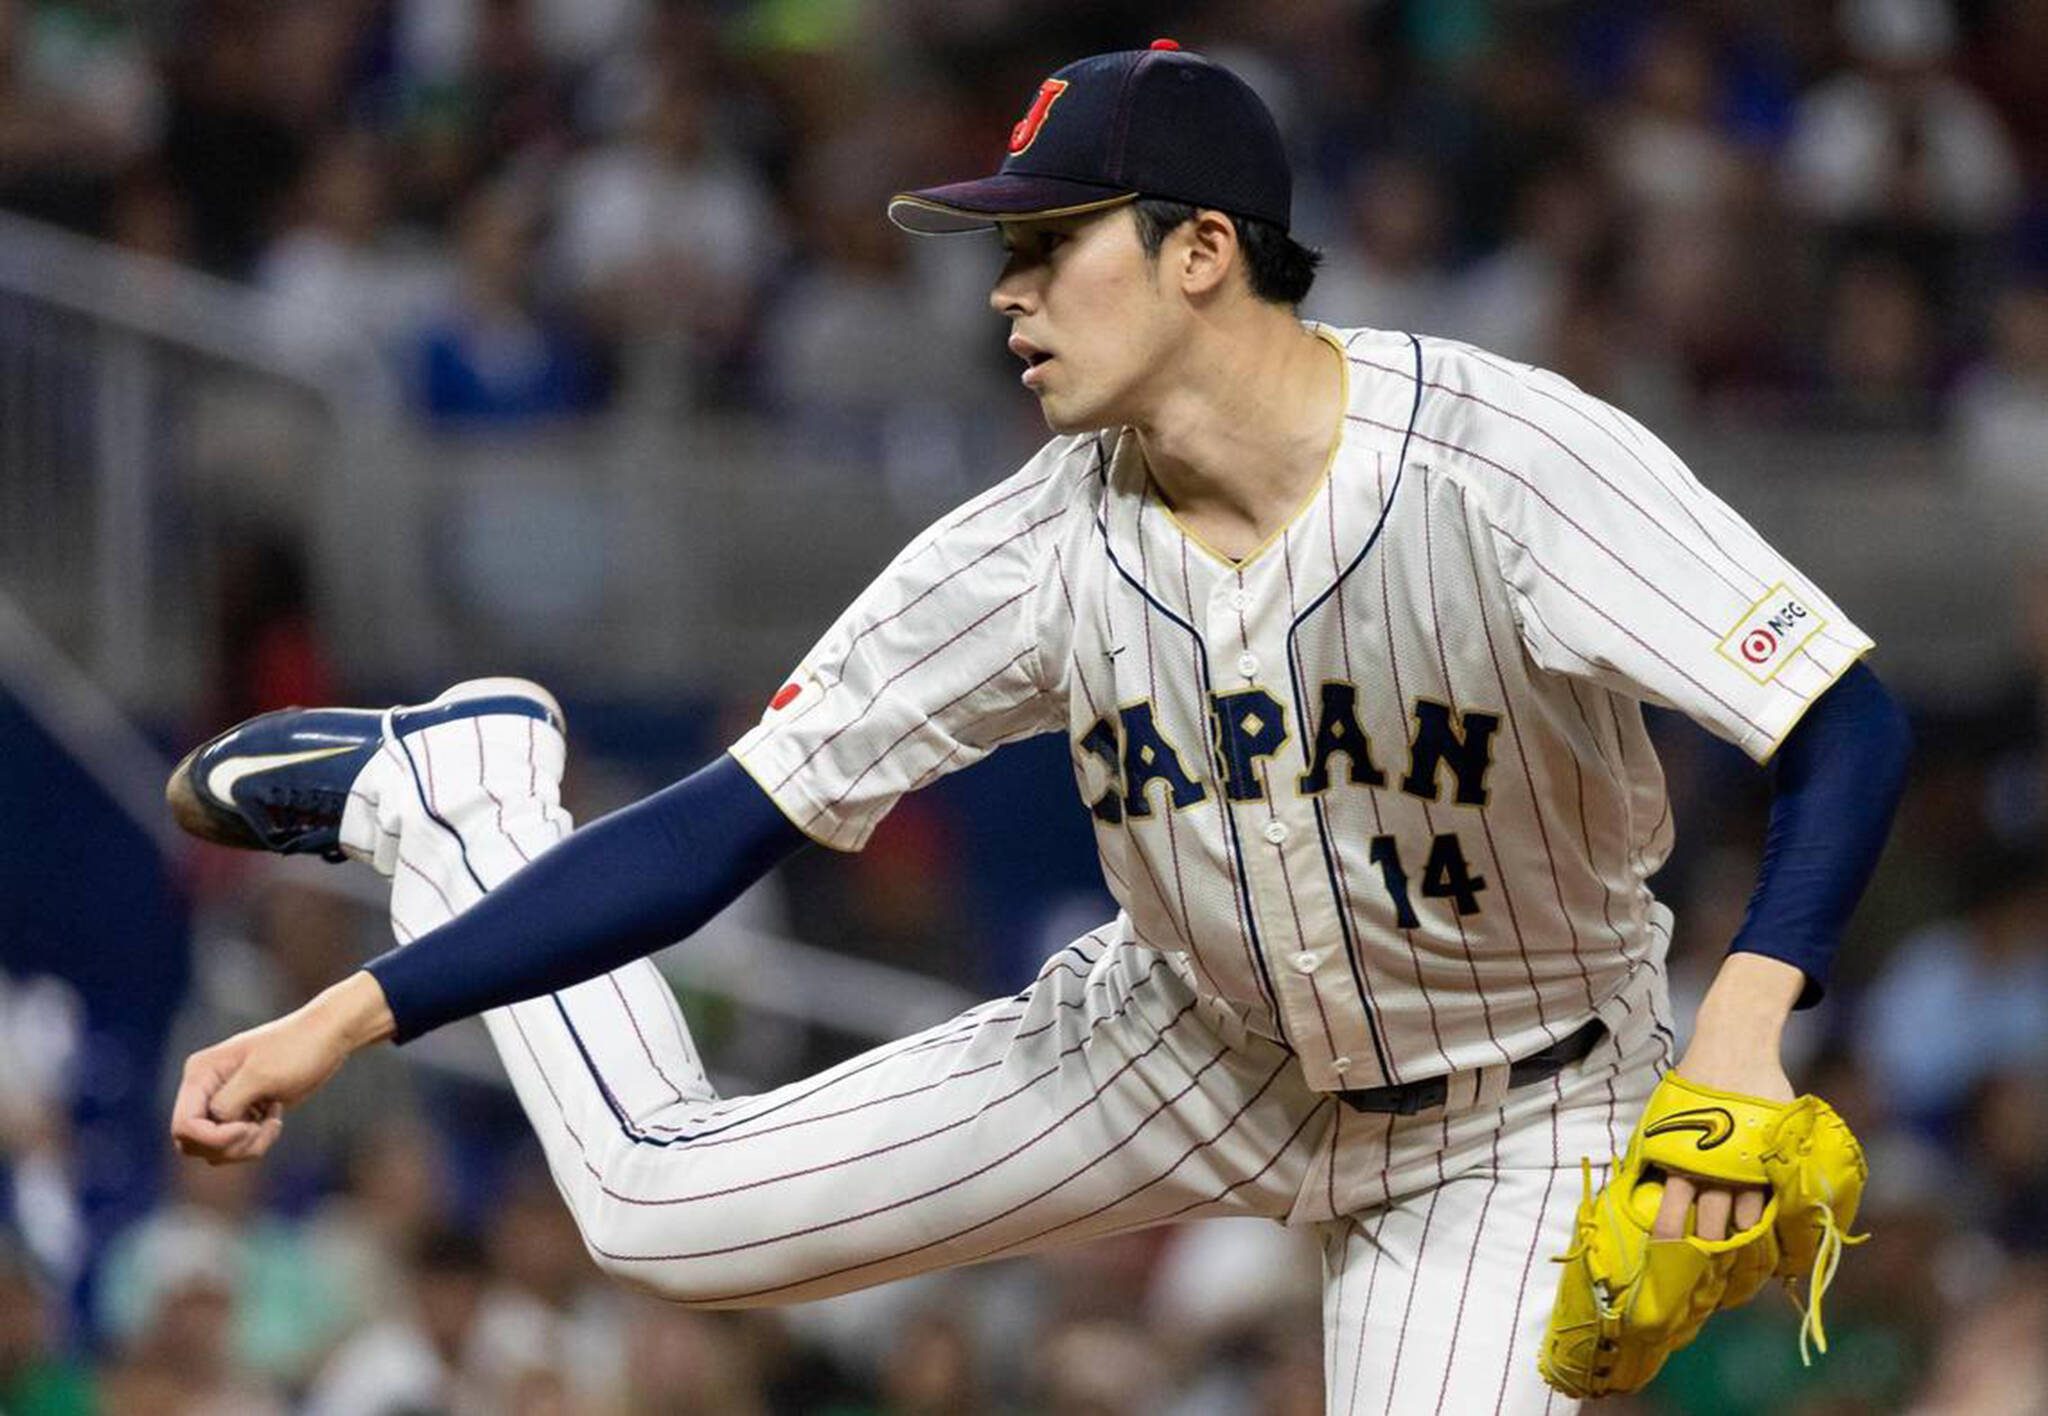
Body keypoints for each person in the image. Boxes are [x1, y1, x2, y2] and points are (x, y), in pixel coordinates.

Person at [164, 43, 1912, 1411]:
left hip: (1519, 1106)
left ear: (1205, 251)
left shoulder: (1507, 463)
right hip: (1192, 1047)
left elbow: (1843, 718)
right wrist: (355, 1009)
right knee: (648, 1210)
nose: (1002, 291)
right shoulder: (1028, 545)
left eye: (1047, 244)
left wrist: (1741, 1031)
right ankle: (466, 795)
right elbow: (728, 826)